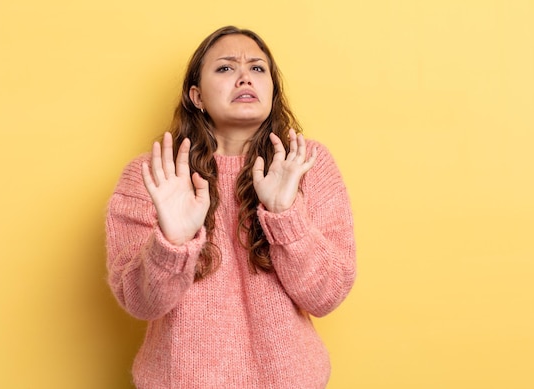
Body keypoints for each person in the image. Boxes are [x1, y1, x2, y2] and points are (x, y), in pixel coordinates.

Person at [106, 25, 356, 388]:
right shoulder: (152, 177)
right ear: (197, 96)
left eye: (257, 69)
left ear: (272, 89)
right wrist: (171, 245)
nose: (244, 78)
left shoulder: (307, 165)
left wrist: (285, 216)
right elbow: (140, 303)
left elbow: (326, 296)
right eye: (225, 68)